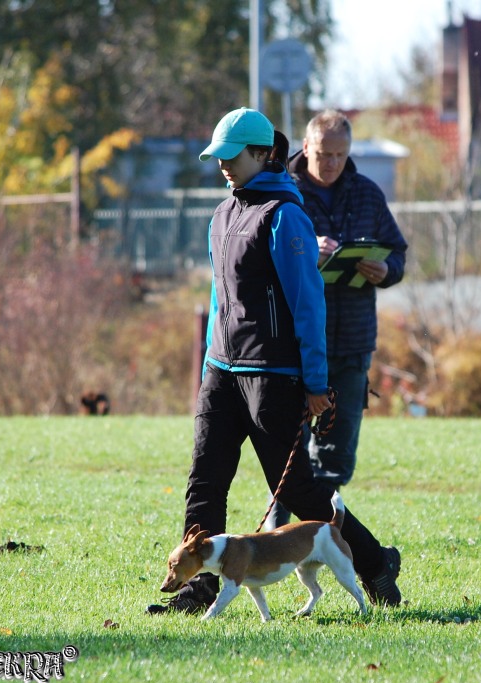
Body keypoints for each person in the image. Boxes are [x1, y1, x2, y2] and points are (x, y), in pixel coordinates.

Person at [146, 107, 401, 615]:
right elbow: (221, 299)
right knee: (204, 478)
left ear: (263, 154)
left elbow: (309, 304)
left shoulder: (286, 216)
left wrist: (315, 382)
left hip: (274, 377)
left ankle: (374, 564)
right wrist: (206, 371)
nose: (222, 165)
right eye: (216, 156)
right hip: (223, 373)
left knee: (299, 491)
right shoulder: (222, 214)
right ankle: (198, 590)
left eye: (231, 155)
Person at [266, 109, 409, 530]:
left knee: (337, 453)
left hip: (351, 343)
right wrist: (306, 248)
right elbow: (262, 259)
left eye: (340, 155)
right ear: (305, 147)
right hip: (293, 344)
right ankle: (278, 530)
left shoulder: (367, 193)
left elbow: (397, 251)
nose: (331, 163)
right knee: (290, 447)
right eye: (324, 153)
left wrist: (388, 271)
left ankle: (325, 534)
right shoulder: (281, 192)